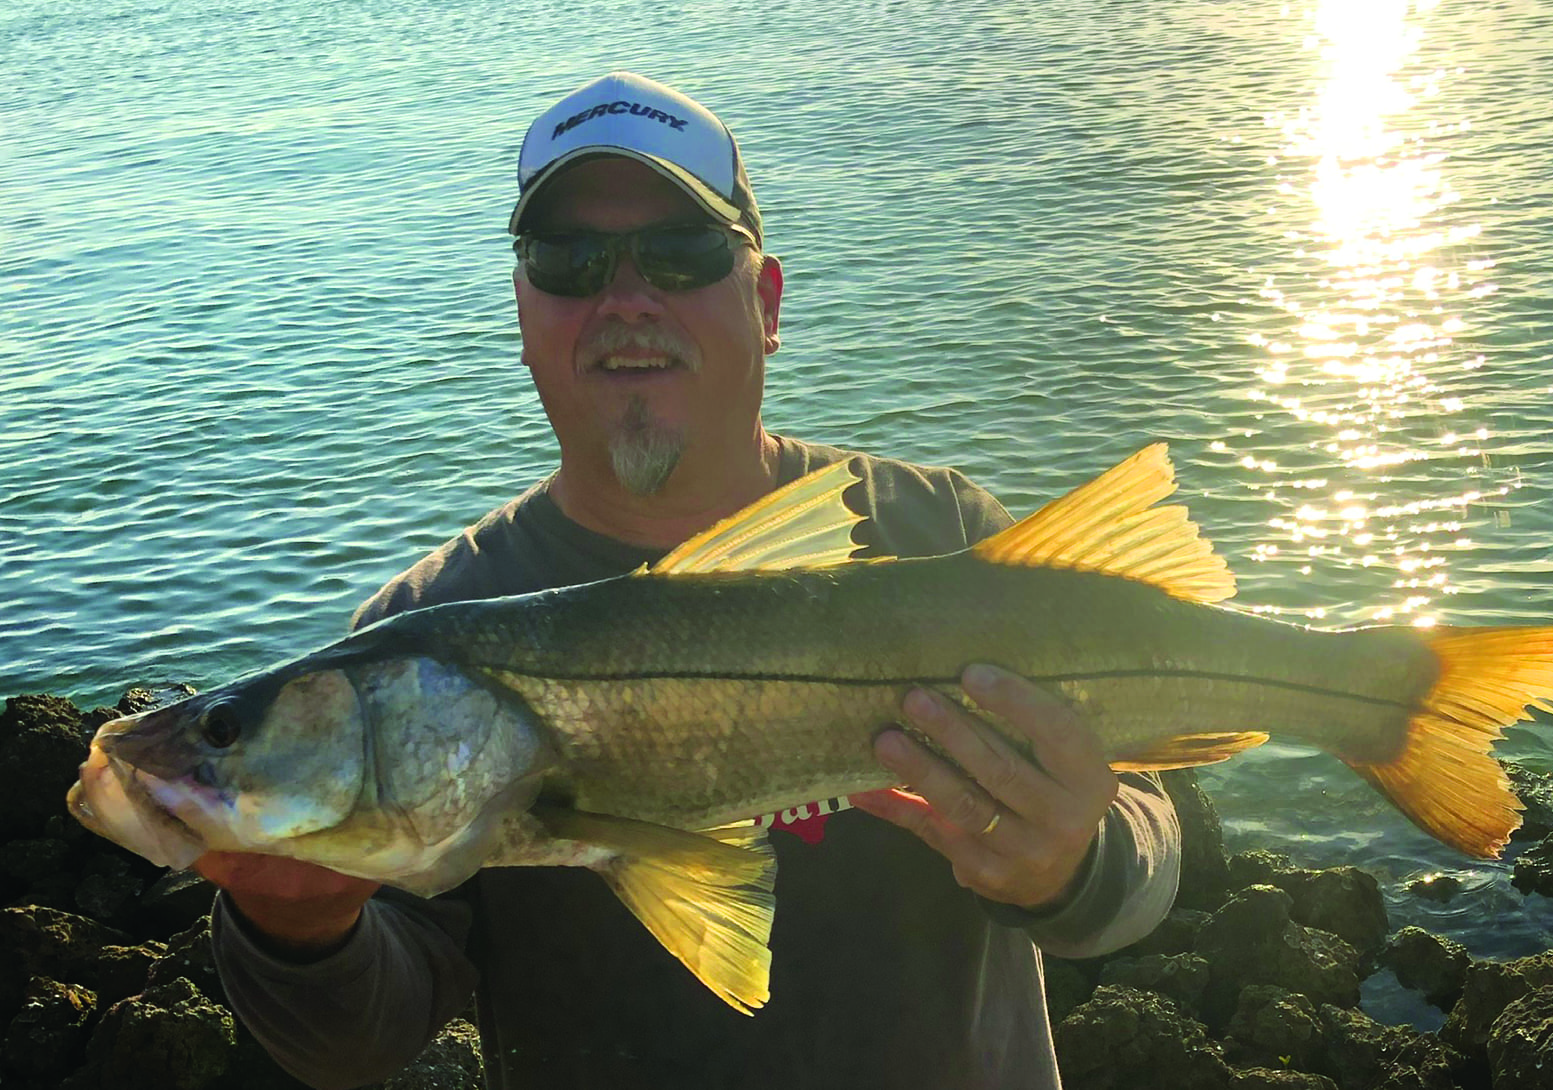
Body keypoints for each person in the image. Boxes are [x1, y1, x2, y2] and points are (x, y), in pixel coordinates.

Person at [197, 71, 1183, 1090]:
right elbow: (351, 1044)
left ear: (764, 303)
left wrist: (1073, 864)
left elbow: (1142, 864)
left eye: (680, 253)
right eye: (569, 261)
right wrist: (294, 931)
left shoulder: (936, 532)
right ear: (524, 312)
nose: (626, 300)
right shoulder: (423, 639)